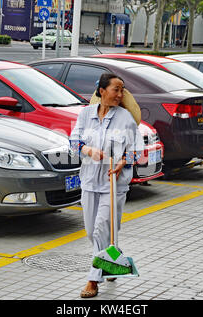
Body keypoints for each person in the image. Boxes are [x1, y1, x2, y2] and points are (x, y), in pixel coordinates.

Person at [70, 73, 143, 298]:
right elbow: (73, 142)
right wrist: (87, 150)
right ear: (102, 91)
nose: (120, 95)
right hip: (90, 180)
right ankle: (113, 259)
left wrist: (122, 162)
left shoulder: (126, 119)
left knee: (102, 228)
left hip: (114, 185)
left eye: (122, 91)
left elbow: (137, 152)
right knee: (92, 232)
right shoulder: (85, 114)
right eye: (116, 90)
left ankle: (93, 281)